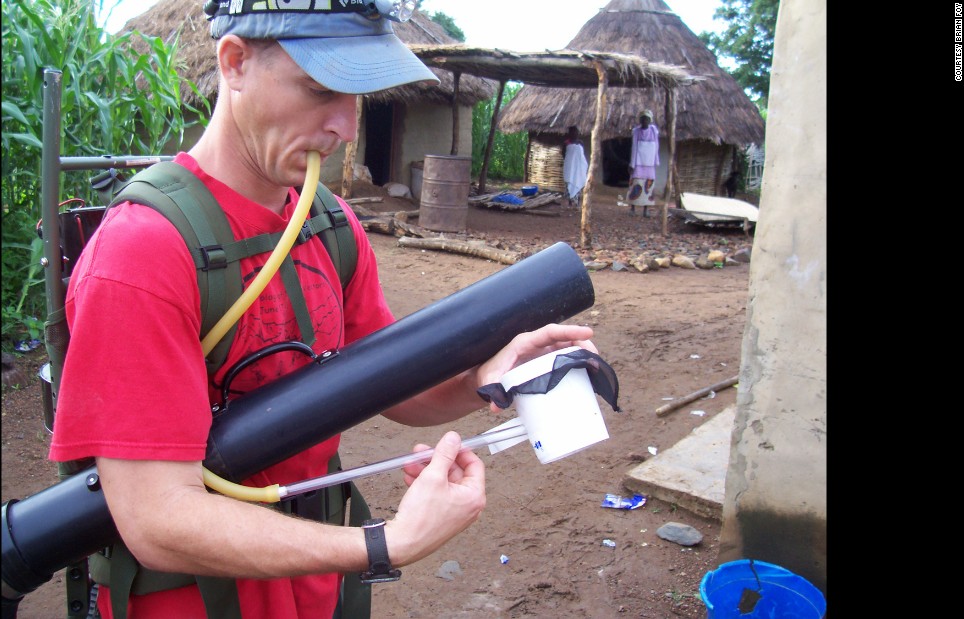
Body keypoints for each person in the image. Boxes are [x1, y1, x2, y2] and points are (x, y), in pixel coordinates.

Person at [47, 2, 599, 618]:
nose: (343, 125)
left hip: (317, 590)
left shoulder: (329, 225)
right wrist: (386, 543)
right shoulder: (140, 253)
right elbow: (157, 517)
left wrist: (484, 380)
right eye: (318, 89)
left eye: (356, 94)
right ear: (233, 63)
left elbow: (392, 389)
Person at [627, 109, 661, 217]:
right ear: (640, 120)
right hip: (638, 163)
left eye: (646, 119)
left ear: (650, 120)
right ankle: (633, 208)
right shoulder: (636, 131)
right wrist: (632, 164)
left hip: (649, 165)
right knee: (635, 184)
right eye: (642, 119)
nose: (644, 121)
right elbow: (634, 148)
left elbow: (656, 147)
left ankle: (645, 210)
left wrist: (656, 161)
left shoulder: (654, 131)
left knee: (648, 186)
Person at [561, 125, 588, 209]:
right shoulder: (566, 143)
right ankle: (570, 203)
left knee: (578, 183)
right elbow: (564, 154)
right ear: (569, 133)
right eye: (572, 132)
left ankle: (577, 204)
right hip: (569, 167)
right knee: (569, 183)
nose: (574, 134)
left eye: (576, 132)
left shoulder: (580, 143)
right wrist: (570, 162)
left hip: (578, 168)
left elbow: (582, 156)